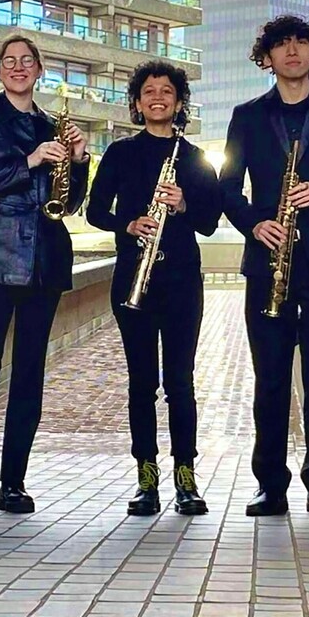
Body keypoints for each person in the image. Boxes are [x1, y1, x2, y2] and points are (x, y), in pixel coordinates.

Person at [218, 15, 309, 517]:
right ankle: (270, 485)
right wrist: (254, 224)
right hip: (267, 264)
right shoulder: (245, 115)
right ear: (267, 58)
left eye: (302, 43)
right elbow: (226, 186)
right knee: (271, 380)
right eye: (281, 45)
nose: (292, 52)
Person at [0, 33, 90, 514]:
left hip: (44, 264)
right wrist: (29, 160)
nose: (19, 67)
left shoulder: (53, 127)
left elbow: (66, 203)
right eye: (10, 61)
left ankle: (14, 483)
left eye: (27, 61)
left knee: (30, 373)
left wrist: (79, 162)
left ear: (39, 68)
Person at [84, 60, 221, 515]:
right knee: (141, 383)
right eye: (148, 91)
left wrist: (183, 204)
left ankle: (186, 476)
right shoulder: (121, 154)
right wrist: (129, 224)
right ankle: (146, 477)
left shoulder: (196, 159)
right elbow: (94, 212)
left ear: (179, 102)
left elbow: (209, 223)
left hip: (181, 281)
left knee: (180, 382)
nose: (157, 97)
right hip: (133, 279)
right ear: (138, 103)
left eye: (167, 91)